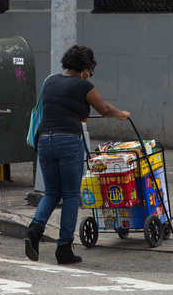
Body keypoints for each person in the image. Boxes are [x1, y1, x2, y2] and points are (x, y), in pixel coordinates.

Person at [25, 45, 130, 265]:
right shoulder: (84, 86)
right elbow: (104, 109)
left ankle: (34, 230)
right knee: (72, 195)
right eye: (90, 69)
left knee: (52, 192)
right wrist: (121, 114)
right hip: (68, 141)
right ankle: (64, 249)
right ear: (85, 68)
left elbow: (59, 108)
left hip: (44, 140)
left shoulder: (50, 82)